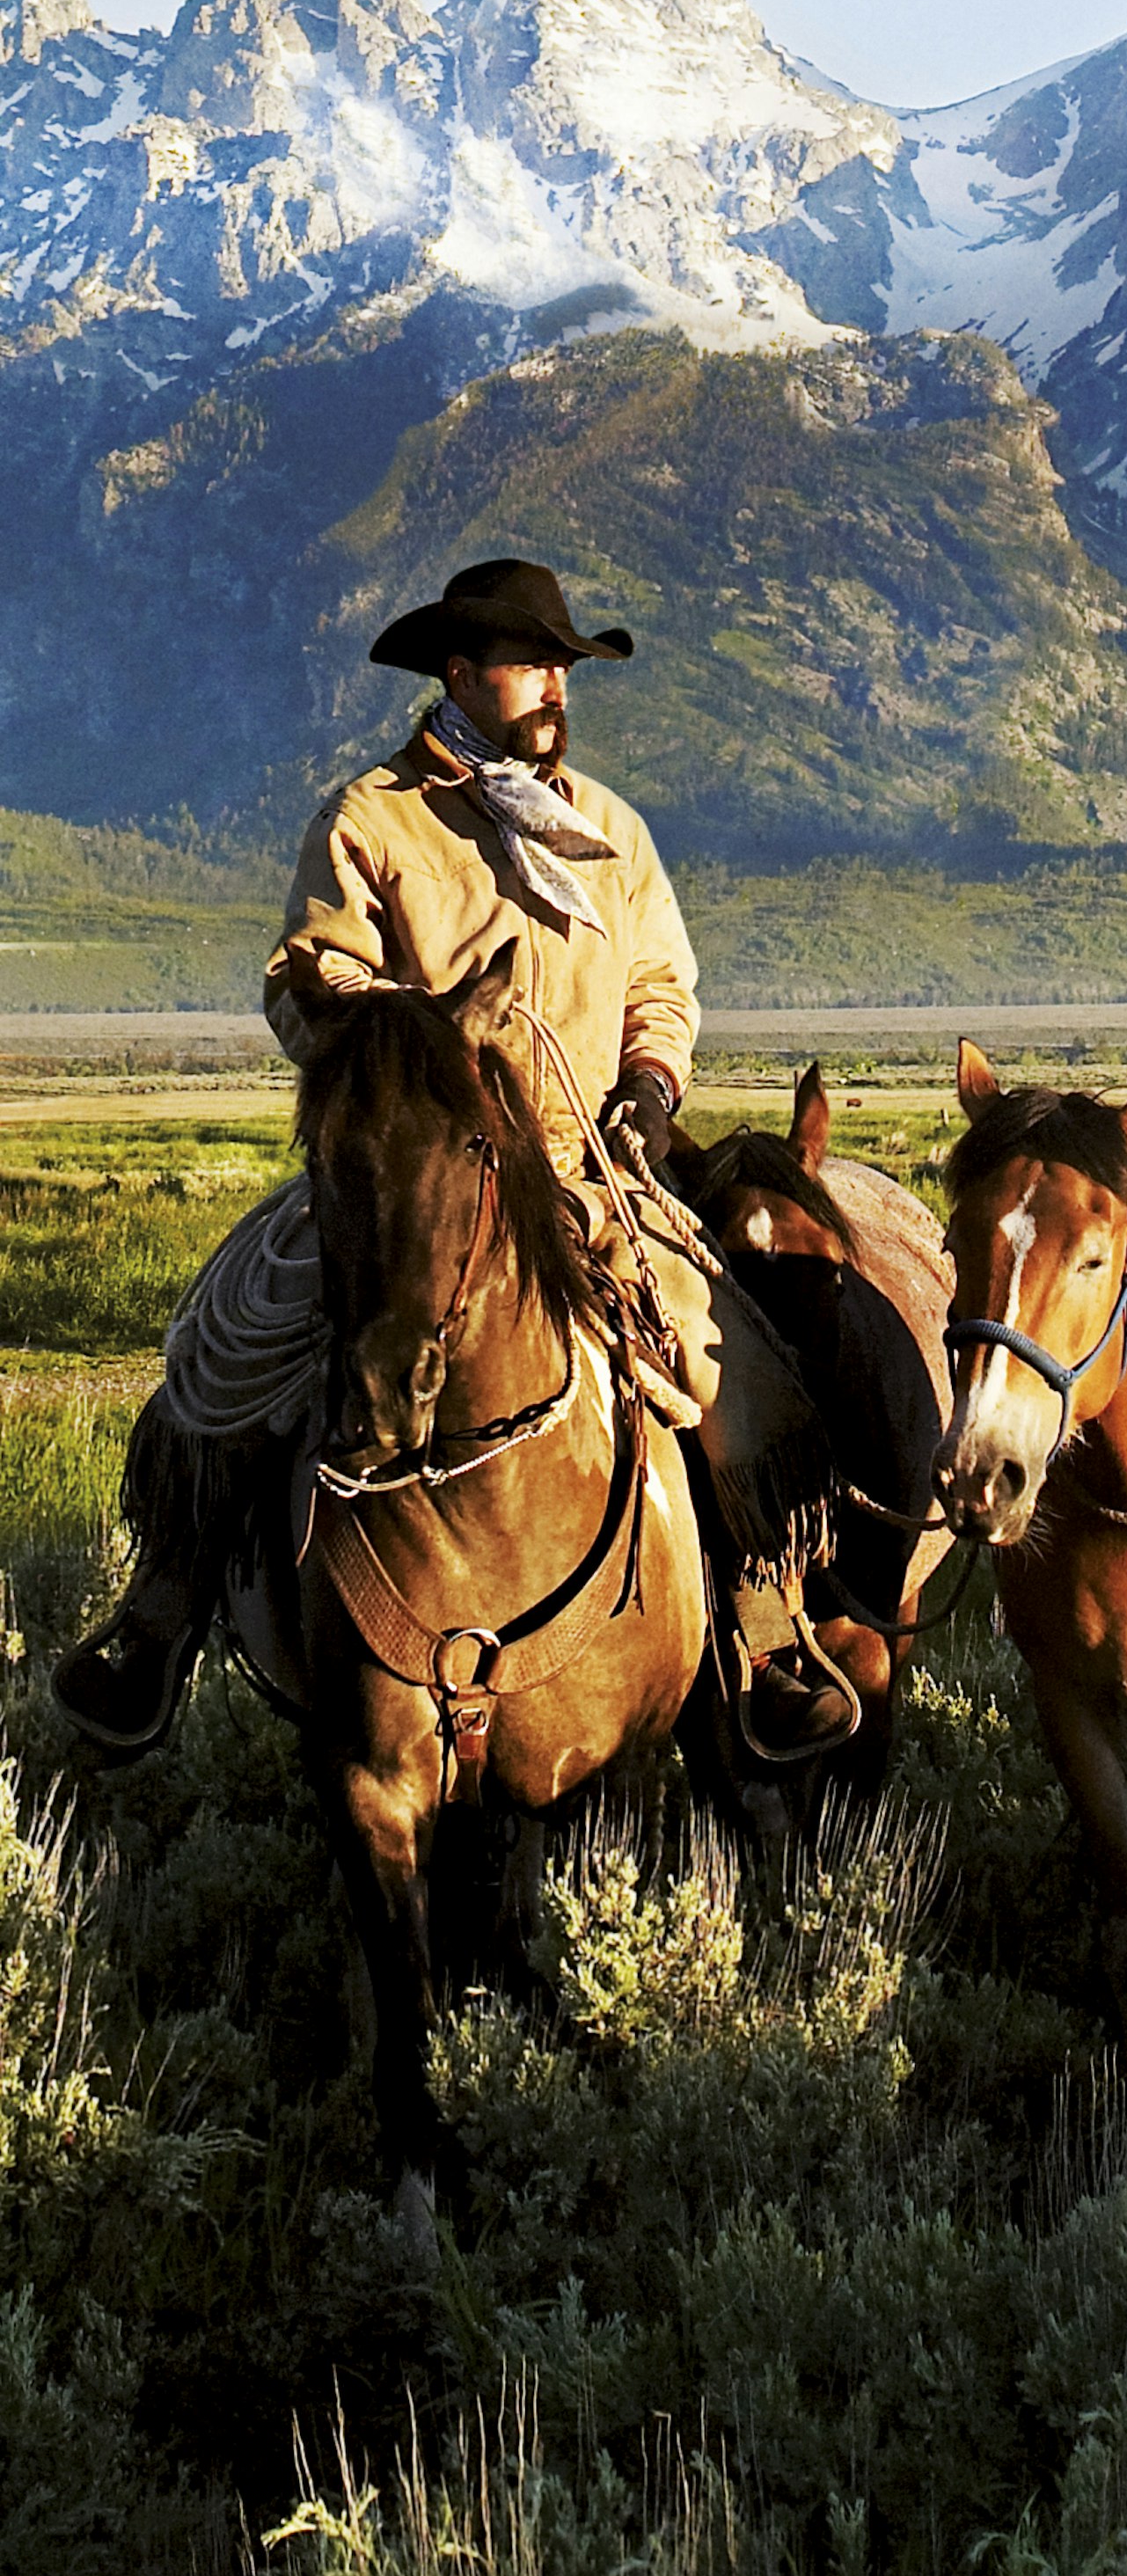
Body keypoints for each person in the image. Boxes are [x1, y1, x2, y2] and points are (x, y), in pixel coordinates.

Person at [51, 557, 858, 1760]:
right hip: (407, 1172)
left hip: (583, 1173)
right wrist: (412, 1050)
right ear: (461, 675)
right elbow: (304, 975)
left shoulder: (613, 833)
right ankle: (159, 1623)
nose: (553, 687)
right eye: (532, 665)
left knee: (716, 1346)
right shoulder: (371, 819)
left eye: (562, 668)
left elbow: (658, 986)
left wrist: (647, 1084)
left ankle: (760, 1625)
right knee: (228, 1341)